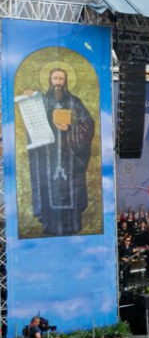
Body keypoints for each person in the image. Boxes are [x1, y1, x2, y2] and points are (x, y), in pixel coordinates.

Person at [22, 67, 95, 236]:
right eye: (55, 78)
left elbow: (87, 126)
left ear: (66, 81)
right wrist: (29, 96)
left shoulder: (74, 102)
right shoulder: (41, 100)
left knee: (71, 190)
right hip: (47, 156)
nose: (58, 82)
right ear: (49, 80)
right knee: (48, 189)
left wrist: (69, 129)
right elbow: (31, 114)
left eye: (61, 79)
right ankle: (49, 226)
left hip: (69, 156)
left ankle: (72, 226)